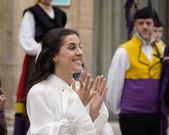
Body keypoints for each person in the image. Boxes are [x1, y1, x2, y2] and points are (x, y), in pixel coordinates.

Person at [26, 28, 113, 135]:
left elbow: (99, 130)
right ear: (54, 56)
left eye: (80, 47)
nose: (80, 52)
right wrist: (79, 105)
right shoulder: (40, 92)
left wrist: (93, 114)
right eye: (72, 47)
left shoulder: (84, 90)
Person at [106, 7, 169, 135]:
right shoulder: (124, 51)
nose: (145, 27)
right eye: (141, 23)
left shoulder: (163, 50)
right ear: (135, 25)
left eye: (148, 23)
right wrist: (121, 111)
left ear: (153, 25)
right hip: (131, 115)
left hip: (155, 116)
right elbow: (114, 85)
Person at [15, 0, 67, 134]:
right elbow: (26, 40)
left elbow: (66, 38)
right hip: (37, 60)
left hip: (58, 61)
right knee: (37, 92)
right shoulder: (31, 13)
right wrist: (46, 51)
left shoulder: (61, 14)